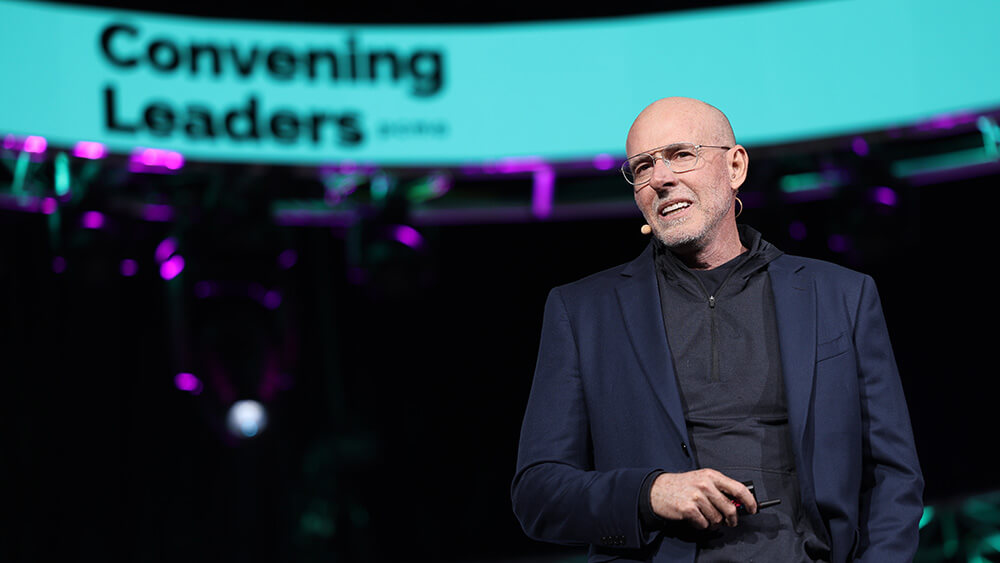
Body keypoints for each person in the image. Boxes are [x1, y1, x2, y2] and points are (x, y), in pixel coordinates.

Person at [511, 97, 923, 562]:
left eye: (681, 154)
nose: (661, 178)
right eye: (642, 167)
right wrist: (649, 494)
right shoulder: (584, 311)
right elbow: (538, 493)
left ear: (735, 167)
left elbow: (894, 476)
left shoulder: (842, 296)